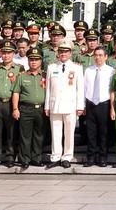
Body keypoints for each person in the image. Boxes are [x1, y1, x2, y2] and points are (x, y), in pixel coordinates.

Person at [44, 39, 84, 168]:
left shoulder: (77, 68)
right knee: (55, 132)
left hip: (70, 105)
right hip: (54, 105)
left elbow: (80, 88)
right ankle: (55, 156)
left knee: (69, 133)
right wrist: (47, 106)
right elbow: (48, 88)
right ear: (58, 53)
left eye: (66, 51)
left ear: (71, 53)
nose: (63, 54)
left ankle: (67, 156)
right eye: (61, 51)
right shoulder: (51, 67)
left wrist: (79, 106)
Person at [0, 40, 23, 167]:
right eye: (4, 53)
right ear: (0, 53)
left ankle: (10, 157)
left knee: (11, 131)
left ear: (14, 54)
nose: (6, 55)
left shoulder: (19, 69)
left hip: (11, 104)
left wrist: (16, 107)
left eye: (9, 53)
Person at [11, 47, 47, 169]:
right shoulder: (21, 76)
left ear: (41, 61)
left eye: (36, 59)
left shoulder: (46, 76)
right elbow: (16, 93)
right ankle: (25, 159)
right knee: (25, 136)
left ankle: (36, 158)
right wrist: (15, 109)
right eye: (31, 59)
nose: (33, 62)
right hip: (26, 109)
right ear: (28, 61)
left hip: (41, 110)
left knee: (39, 135)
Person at [83, 46, 115, 167]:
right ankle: (91, 157)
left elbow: (113, 90)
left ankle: (102, 156)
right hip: (90, 103)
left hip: (104, 104)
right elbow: (84, 88)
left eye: (100, 55)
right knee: (91, 132)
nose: (98, 57)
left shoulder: (111, 71)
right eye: (96, 55)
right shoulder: (88, 70)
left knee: (103, 132)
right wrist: (83, 105)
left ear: (106, 57)